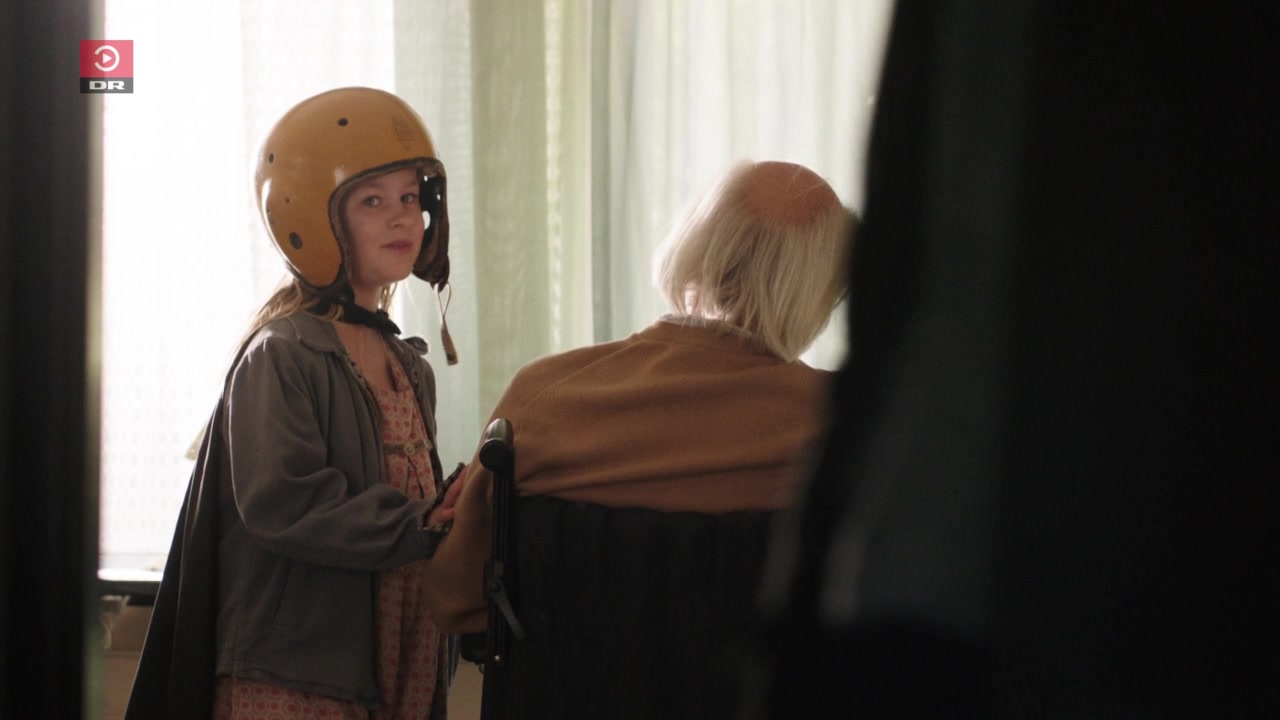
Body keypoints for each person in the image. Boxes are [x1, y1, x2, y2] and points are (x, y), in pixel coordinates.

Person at [423, 160, 856, 717]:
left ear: (695, 245)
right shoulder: (847, 426)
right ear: (820, 289)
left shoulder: (546, 397)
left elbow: (456, 600)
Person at [125, 86, 467, 720]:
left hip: (400, 662)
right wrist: (421, 523)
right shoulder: (281, 354)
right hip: (299, 677)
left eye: (410, 198)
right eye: (372, 201)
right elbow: (287, 504)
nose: (402, 218)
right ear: (313, 216)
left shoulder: (410, 366)